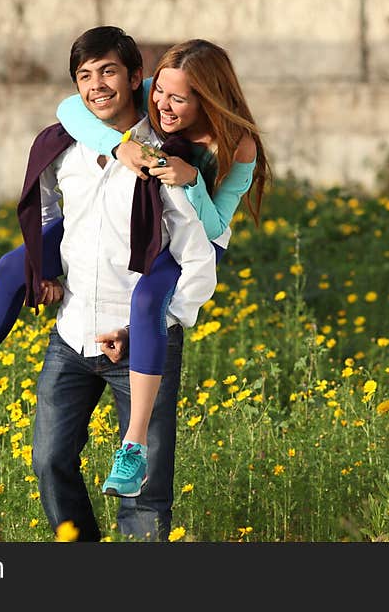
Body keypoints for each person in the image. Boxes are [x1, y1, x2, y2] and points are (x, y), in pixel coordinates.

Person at [0, 26, 217, 542]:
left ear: (137, 77)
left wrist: (151, 323)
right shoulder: (62, 144)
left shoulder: (168, 157)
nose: (97, 86)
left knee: (145, 490)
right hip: (71, 336)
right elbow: (45, 213)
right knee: (48, 462)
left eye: (109, 71)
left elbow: (197, 257)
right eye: (85, 76)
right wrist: (44, 270)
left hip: (138, 342)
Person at [54, 38, 271, 497]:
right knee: (21, 262)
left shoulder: (238, 144)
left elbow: (214, 229)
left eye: (178, 98)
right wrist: (120, 148)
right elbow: (70, 109)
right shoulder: (156, 93)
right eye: (159, 92)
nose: (162, 104)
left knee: (150, 298)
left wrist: (191, 180)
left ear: (207, 98)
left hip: (198, 245)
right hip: (162, 230)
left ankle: (132, 447)